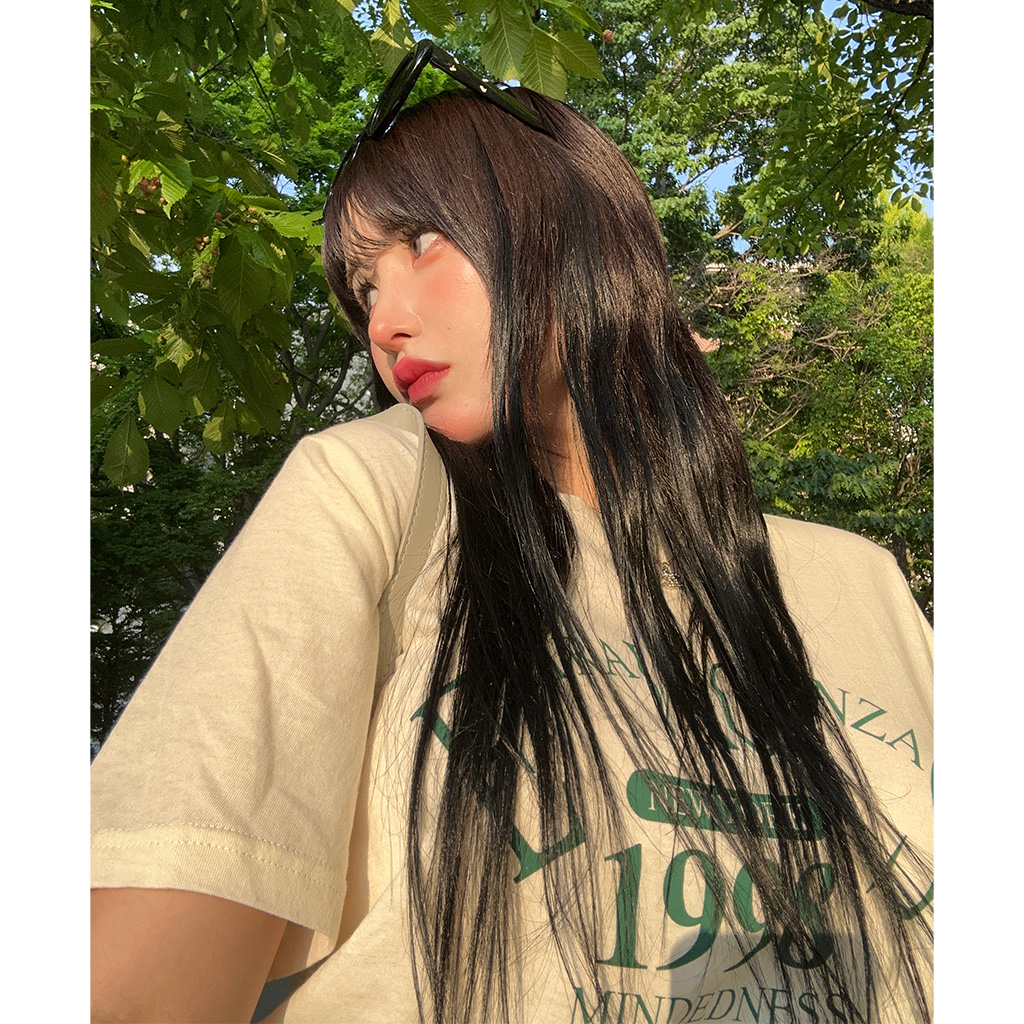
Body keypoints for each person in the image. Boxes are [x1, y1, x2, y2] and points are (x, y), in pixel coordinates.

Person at [91, 41, 933, 1024]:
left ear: (573, 224)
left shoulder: (860, 583)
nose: (383, 323)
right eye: (363, 288)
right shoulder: (376, 493)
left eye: (421, 242)